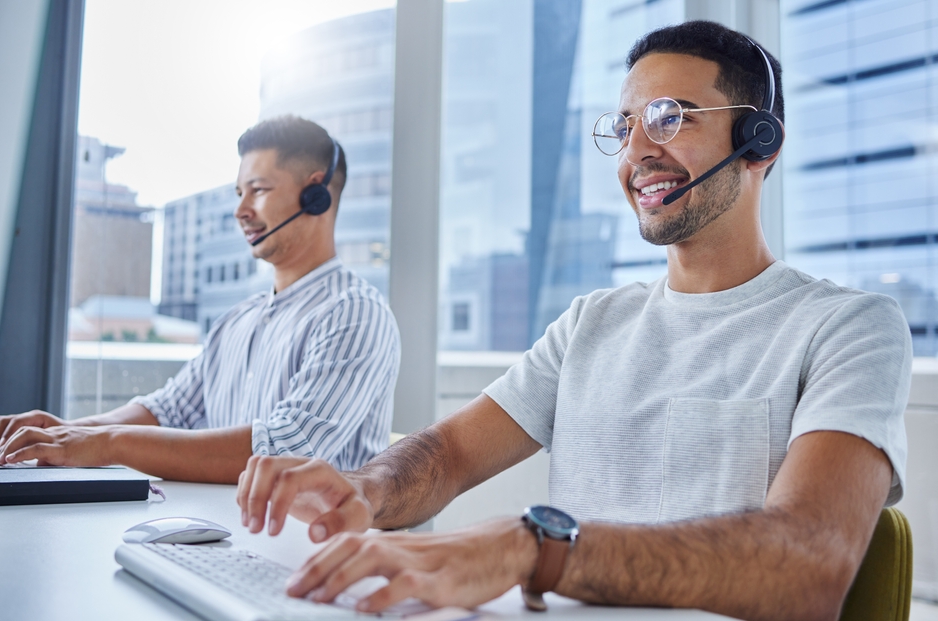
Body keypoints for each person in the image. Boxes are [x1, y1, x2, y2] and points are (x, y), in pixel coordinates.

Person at [234, 21, 912, 621]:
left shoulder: (849, 326)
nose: (636, 151)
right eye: (624, 127)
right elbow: (447, 456)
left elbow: (809, 563)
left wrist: (535, 548)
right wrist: (368, 485)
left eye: (670, 117)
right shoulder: (593, 321)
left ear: (759, 142)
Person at [0, 116, 401, 483]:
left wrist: (105, 442)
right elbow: (168, 410)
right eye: (239, 193)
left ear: (315, 195)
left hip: (312, 555)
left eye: (257, 189)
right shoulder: (239, 319)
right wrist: (68, 431)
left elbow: (286, 452)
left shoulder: (354, 313)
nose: (240, 210)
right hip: (224, 540)